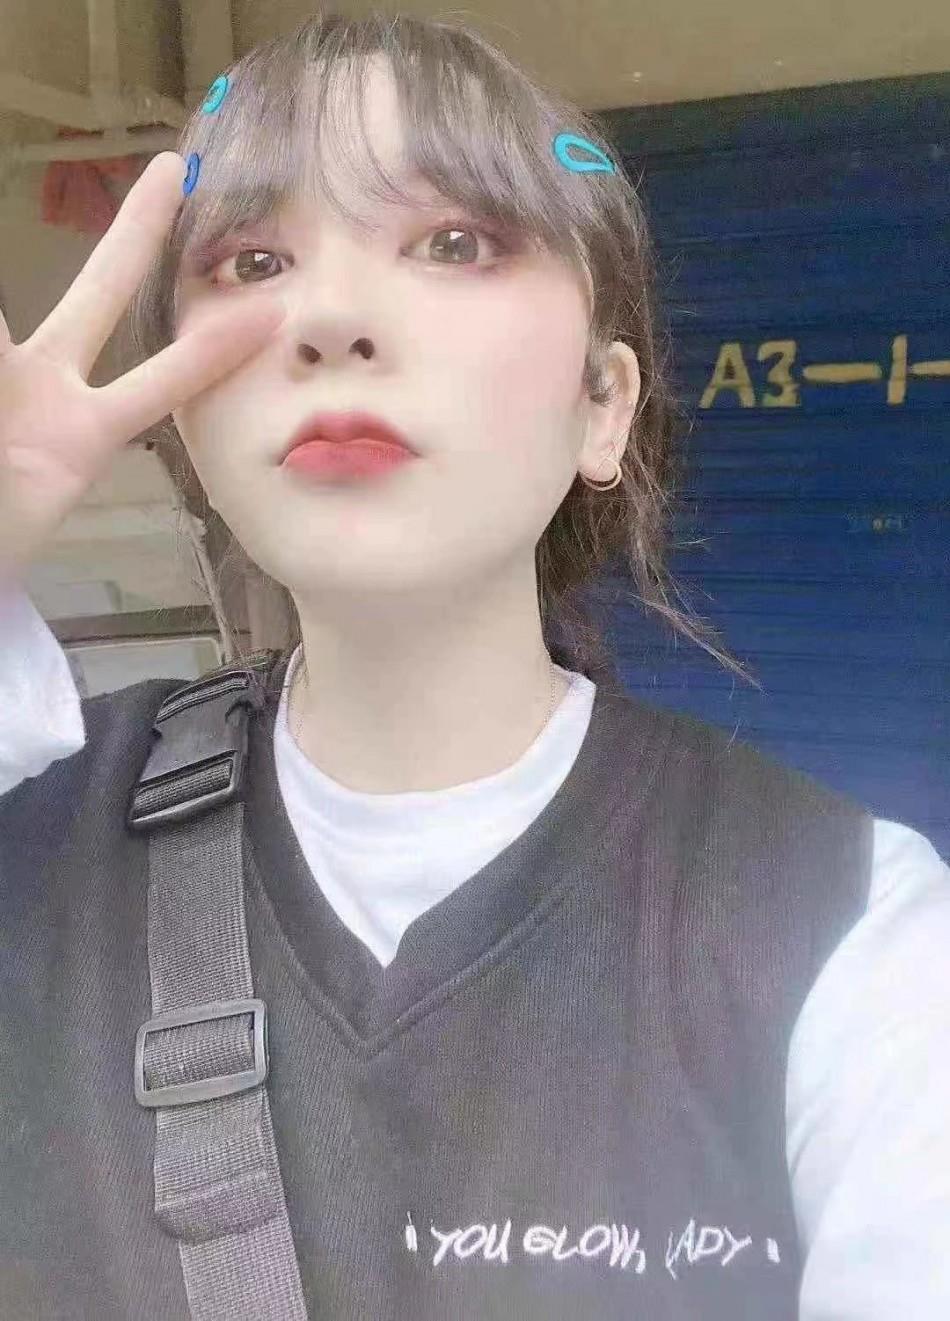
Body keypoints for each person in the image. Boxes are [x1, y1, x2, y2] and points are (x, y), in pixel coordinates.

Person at [1, 13, 948, 1321]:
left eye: (454, 243)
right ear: (187, 419)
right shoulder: (35, 834)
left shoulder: (851, 933)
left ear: (603, 404)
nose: (330, 317)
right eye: (255, 260)